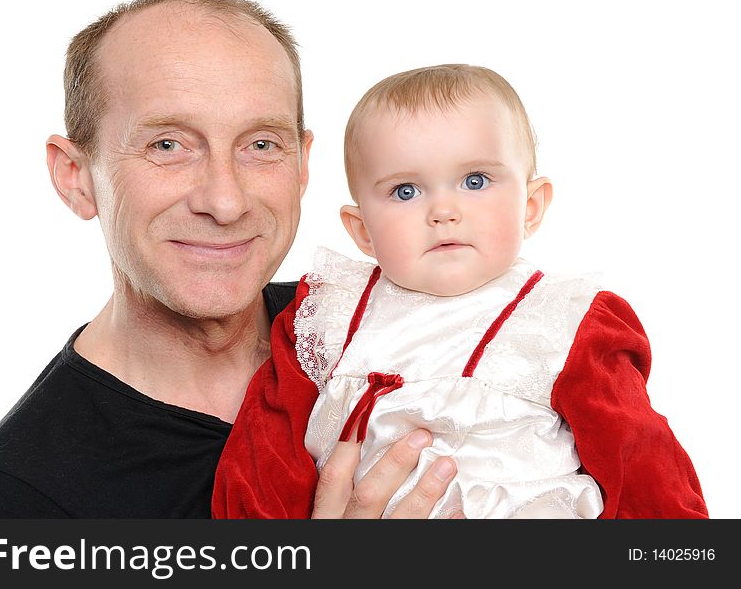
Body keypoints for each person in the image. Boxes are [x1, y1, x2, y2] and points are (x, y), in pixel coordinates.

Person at [0, 0, 459, 518]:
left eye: (260, 145)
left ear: (302, 165)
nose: (225, 201)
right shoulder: (5, 506)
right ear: (76, 177)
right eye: (168, 145)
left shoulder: (382, 327)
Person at [212, 64, 709, 519]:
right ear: (362, 230)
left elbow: (641, 461)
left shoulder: (566, 320)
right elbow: (265, 457)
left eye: (475, 180)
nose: (443, 211)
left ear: (531, 206)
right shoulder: (326, 316)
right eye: (405, 191)